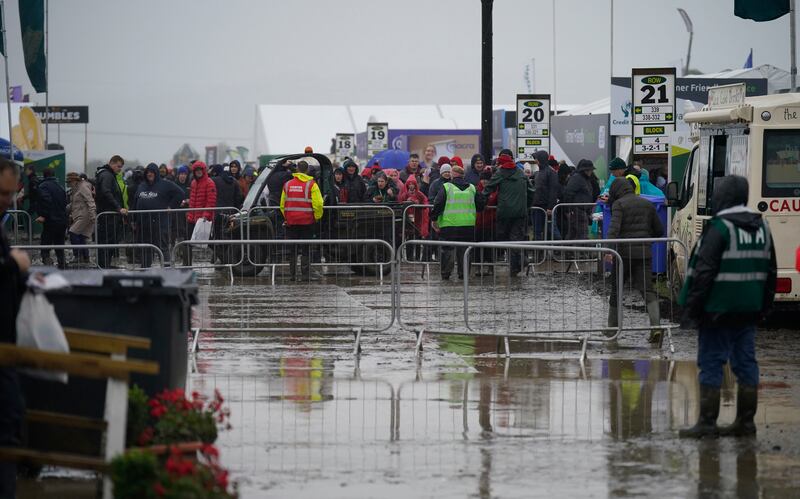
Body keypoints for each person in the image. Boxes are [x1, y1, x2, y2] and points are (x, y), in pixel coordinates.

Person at [678, 176, 777, 439]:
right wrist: (764, 309)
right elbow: (771, 273)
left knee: (711, 362)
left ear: (723, 197)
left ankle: (707, 424)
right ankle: (746, 423)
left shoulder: (720, 228)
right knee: (746, 363)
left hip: (716, 310)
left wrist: (691, 310)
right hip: (748, 311)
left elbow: (703, 272)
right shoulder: (762, 228)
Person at [605, 178, 664, 342]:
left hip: (623, 255)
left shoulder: (619, 204)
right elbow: (659, 230)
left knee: (617, 289)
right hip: (644, 254)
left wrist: (608, 249)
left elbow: (614, 229)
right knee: (647, 290)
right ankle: (656, 328)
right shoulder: (647, 204)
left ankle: (612, 330)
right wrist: (646, 240)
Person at [0, 158, 29, 498]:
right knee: (9, 418)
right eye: (2, 192)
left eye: (11, 193)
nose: (8, 200)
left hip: (7, 341)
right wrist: (13, 263)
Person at [481, 153, 535, 276]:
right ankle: (517, 265)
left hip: (504, 212)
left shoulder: (500, 173)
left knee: (504, 238)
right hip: (520, 213)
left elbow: (488, 189)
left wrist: (481, 202)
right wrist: (526, 206)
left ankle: (518, 263)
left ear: (500, 164)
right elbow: (531, 191)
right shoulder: (521, 173)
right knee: (516, 239)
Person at [430, 165, 484, 280]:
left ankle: (446, 273)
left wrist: (434, 219)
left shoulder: (446, 187)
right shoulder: (472, 188)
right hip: (468, 225)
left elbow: (438, 204)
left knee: (447, 250)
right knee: (465, 250)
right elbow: (480, 205)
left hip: (449, 225)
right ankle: (463, 274)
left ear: (452, 174)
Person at [131, 163, 185, 267]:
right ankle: (145, 271)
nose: (149, 174)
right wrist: (133, 219)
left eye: (151, 172)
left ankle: (167, 271)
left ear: (156, 173)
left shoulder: (165, 184)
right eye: (147, 172)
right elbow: (135, 201)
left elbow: (180, 193)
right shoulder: (142, 185)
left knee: (162, 248)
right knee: (146, 248)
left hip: (160, 223)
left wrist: (171, 206)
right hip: (143, 224)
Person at [280, 160, 323, 281]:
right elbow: (318, 204)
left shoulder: (287, 184)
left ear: (297, 169)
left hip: (291, 223)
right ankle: (305, 275)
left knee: (292, 250)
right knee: (305, 250)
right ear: (307, 170)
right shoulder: (312, 184)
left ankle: (292, 275)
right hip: (307, 223)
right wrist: (316, 217)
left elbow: (282, 205)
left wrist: (287, 217)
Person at [184, 161, 217, 265]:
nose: (198, 172)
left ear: (203, 170)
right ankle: (187, 265)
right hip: (192, 218)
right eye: (196, 170)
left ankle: (223, 257)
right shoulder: (193, 183)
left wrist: (206, 215)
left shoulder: (209, 182)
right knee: (187, 242)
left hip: (202, 219)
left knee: (209, 241)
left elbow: (211, 201)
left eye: (200, 170)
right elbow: (193, 199)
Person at [34, 170, 68, 268]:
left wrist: (43, 215)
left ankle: (48, 266)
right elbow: (64, 202)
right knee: (59, 245)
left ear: (44, 176)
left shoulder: (43, 186)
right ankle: (63, 265)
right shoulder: (60, 187)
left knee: (45, 244)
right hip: (62, 220)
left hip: (51, 220)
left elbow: (46, 201)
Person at [66, 172, 96, 264]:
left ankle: (78, 256)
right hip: (81, 214)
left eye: (69, 182)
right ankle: (85, 257)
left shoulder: (82, 187)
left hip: (84, 215)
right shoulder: (77, 188)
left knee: (73, 232)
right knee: (81, 236)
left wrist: (92, 215)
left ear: (74, 181)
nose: (68, 184)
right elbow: (77, 202)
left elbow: (90, 201)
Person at [562, 159, 596, 241]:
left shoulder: (582, 178)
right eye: (589, 170)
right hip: (578, 210)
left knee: (573, 234)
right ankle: (582, 252)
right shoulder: (578, 178)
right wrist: (568, 210)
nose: (591, 172)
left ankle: (568, 252)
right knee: (582, 233)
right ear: (585, 170)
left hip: (579, 210)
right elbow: (568, 193)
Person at [398, 176, 429, 261]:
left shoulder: (419, 194)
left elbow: (425, 202)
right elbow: (400, 202)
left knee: (418, 239)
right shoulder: (405, 194)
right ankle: (409, 257)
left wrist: (419, 204)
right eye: (409, 184)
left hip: (418, 219)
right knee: (409, 239)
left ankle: (418, 257)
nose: (411, 186)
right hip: (408, 219)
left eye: (413, 184)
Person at [532, 150, 559, 241]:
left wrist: (550, 207)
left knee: (552, 230)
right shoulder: (538, 173)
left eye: (536, 158)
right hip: (537, 206)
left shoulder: (551, 173)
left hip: (546, 207)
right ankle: (539, 253)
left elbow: (553, 190)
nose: (535, 160)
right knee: (537, 231)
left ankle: (561, 249)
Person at [475, 167, 498, 275]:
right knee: (477, 246)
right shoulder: (476, 190)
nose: (484, 181)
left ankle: (490, 267)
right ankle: (478, 267)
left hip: (490, 223)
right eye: (482, 179)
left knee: (490, 247)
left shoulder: (495, 191)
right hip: (478, 223)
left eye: (486, 179)